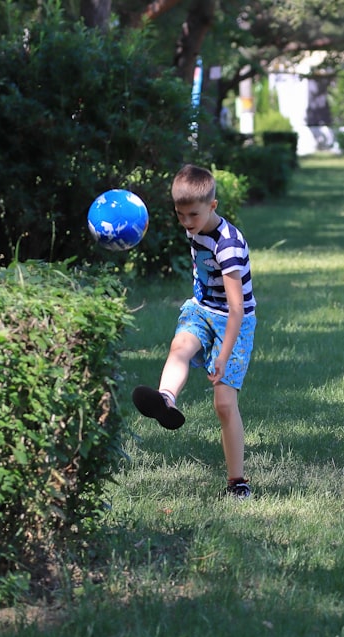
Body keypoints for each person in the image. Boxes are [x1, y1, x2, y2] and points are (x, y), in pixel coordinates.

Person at [132, 164, 257, 499]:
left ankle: (237, 481)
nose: (187, 223)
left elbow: (237, 309)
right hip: (201, 309)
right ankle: (165, 400)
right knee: (179, 347)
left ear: (213, 207)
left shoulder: (228, 245)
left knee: (224, 404)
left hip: (234, 321)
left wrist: (224, 355)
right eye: (180, 215)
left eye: (193, 215)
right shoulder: (194, 225)